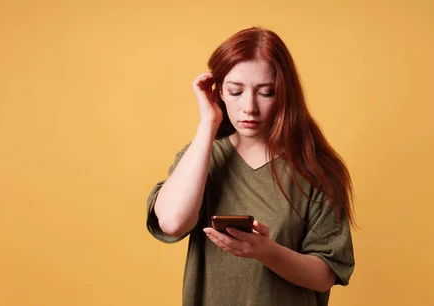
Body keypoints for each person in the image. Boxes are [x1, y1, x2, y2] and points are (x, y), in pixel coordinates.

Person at [146, 27, 356, 306]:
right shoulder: (200, 156)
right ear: (218, 91)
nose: (249, 107)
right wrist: (208, 123)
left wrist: (266, 251)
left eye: (266, 93)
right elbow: (172, 223)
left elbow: (325, 275)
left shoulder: (315, 170)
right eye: (235, 91)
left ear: (284, 94)